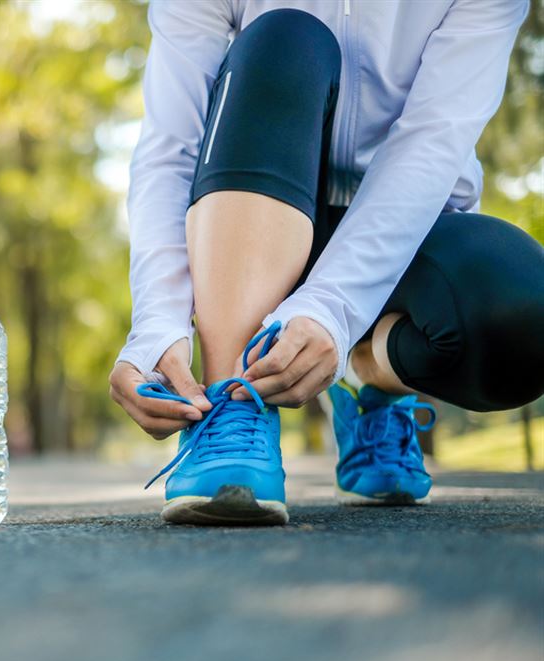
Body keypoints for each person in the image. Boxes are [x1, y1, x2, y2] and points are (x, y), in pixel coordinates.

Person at [109, 1, 543, 525]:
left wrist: (334, 310)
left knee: (522, 317)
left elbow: (432, 138)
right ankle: (233, 406)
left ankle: (366, 382)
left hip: (407, 229)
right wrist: (156, 323)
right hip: (256, 219)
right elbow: (169, 146)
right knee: (286, 40)